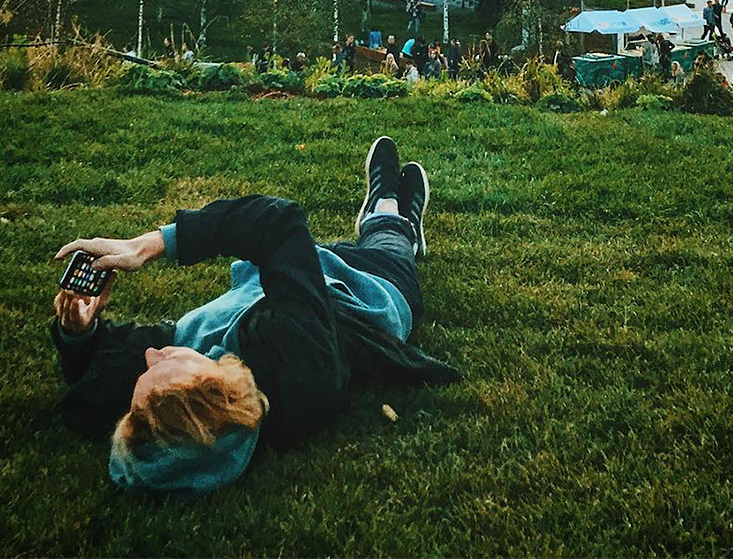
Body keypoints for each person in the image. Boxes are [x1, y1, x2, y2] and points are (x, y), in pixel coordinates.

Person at [51, 138, 459, 494]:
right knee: (389, 237)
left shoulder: (170, 413)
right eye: (168, 363)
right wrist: (151, 245)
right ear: (218, 388)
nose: (152, 355)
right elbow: (278, 224)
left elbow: (98, 379)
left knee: (304, 260)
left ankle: (385, 208)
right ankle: (390, 208)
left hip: (282, 276)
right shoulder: (295, 364)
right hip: (366, 284)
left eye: (141, 381)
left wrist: (78, 332)